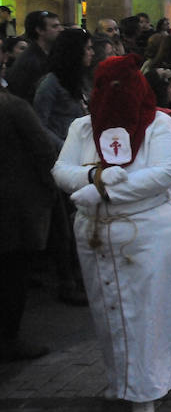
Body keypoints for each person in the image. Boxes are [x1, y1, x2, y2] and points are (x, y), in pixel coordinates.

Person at [52, 54, 171, 411]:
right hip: (96, 233)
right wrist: (93, 177)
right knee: (107, 309)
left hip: (148, 231)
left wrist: (104, 191)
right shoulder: (82, 128)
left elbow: (164, 172)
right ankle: (120, 379)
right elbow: (62, 169)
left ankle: (147, 387)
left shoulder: (160, 125)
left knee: (146, 311)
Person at [0, 86, 57, 362]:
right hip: (14, 208)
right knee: (13, 274)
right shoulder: (12, 107)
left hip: (13, 205)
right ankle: (9, 337)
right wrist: (48, 190)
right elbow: (43, 150)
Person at [33, 28, 92, 151]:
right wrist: (64, 147)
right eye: (88, 48)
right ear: (76, 51)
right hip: (63, 149)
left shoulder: (81, 79)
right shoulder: (50, 83)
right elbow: (39, 124)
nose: (92, 53)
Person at [6, 10, 62, 103]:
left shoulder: (48, 55)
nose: (60, 29)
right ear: (40, 30)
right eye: (54, 26)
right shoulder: (30, 61)